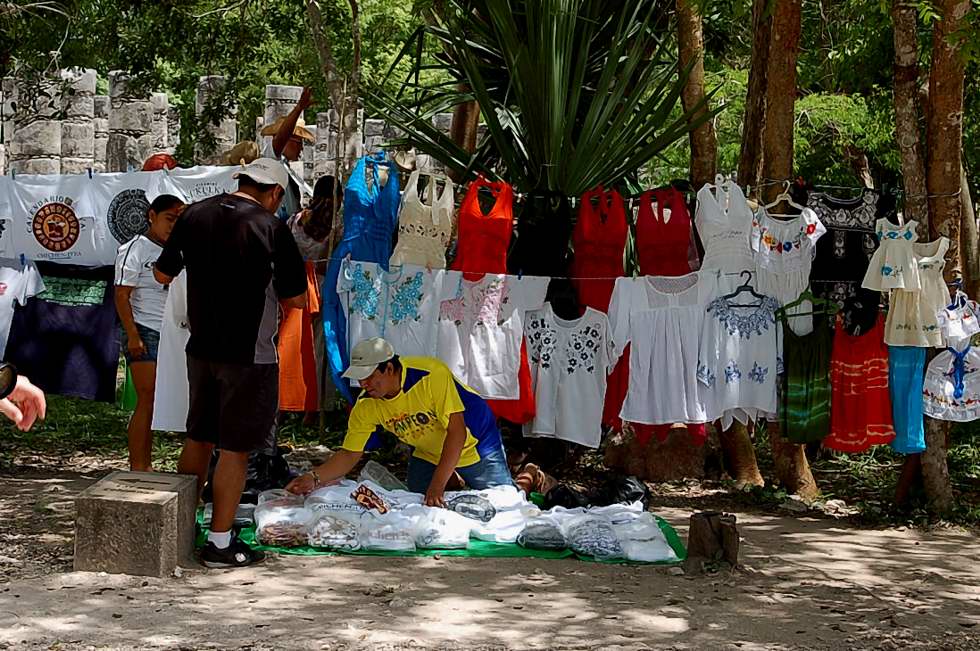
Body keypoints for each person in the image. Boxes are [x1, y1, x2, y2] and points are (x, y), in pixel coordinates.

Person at [154, 158, 307, 568]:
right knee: (235, 450)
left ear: (242, 180)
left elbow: (162, 274)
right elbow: (296, 299)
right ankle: (220, 544)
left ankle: (179, 530)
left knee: (198, 437)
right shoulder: (271, 227)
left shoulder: (194, 215)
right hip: (249, 355)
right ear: (275, 193)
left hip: (201, 347)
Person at [286, 338, 514, 507]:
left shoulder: (431, 375)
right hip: (428, 451)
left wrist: (437, 486)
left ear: (389, 368)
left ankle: (527, 477)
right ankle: (452, 478)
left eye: (369, 376)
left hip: (475, 443)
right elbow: (349, 454)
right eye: (359, 378)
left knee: (505, 503)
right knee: (418, 498)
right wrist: (313, 477)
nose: (364, 384)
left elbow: (457, 432)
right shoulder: (366, 404)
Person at [114, 193, 185, 471]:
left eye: (178, 220)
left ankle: (149, 465)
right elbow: (121, 295)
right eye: (169, 218)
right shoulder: (135, 248)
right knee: (148, 398)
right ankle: (139, 466)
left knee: (167, 399)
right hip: (145, 329)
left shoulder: (181, 249)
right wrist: (133, 335)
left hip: (175, 332)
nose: (172, 225)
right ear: (152, 216)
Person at [260, 87, 315, 221]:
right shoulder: (270, 160)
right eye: (298, 142)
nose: (301, 148)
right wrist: (298, 108)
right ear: (287, 140)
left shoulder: (285, 168)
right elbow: (280, 139)